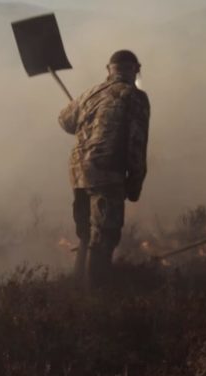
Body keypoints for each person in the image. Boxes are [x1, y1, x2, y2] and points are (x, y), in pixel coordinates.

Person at [58, 50, 150, 285]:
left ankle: (76, 288)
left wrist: (86, 115)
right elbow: (136, 144)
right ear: (135, 70)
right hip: (106, 171)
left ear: (109, 69)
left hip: (78, 172)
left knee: (86, 233)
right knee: (104, 235)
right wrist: (134, 184)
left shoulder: (90, 93)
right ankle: (96, 301)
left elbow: (65, 121)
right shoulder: (135, 97)